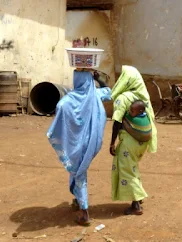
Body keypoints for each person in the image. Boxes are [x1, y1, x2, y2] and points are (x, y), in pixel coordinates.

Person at [47, 69, 111, 226]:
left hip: (75, 144)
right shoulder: (96, 95)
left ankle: (84, 213)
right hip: (91, 143)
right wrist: (98, 79)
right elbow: (109, 91)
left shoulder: (67, 100)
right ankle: (77, 200)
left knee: (78, 172)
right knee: (77, 171)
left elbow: (60, 110)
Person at [109, 65, 157, 215]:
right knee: (133, 167)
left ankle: (136, 204)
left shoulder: (123, 98)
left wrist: (112, 142)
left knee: (126, 170)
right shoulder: (142, 97)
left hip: (129, 143)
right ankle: (138, 196)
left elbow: (117, 121)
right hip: (142, 142)